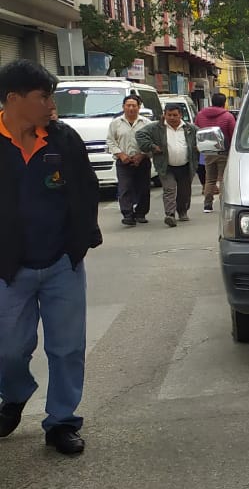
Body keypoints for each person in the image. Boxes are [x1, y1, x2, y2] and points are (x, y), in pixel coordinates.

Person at [0, 59, 102, 455]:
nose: (50, 105)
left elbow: (87, 188)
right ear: (13, 99)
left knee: (67, 348)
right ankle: (16, 393)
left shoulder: (62, 140)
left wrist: (79, 241)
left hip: (61, 263)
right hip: (9, 269)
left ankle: (61, 421)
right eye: (43, 97)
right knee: (8, 348)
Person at [137, 103, 198, 227]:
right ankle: (170, 215)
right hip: (166, 166)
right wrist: (152, 147)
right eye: (169, 115)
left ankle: (182, 211)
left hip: (186, 165)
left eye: (175, 115)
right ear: (164, 115)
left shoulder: (190, 129)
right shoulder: (156, 128)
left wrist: (199, 147)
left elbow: (201, 138)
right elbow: (140, 135)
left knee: (184, 191)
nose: (171, 118)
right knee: (169, 189)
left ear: (180, 115)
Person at [106, 95, 152, 226]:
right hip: (124, 161)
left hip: (142, 160)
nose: (131, 108)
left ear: (139, 107)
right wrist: (120, 154)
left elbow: (152, 141)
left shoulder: (146, 123)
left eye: (134, 106)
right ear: (123, 107)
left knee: (144, 188)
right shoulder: (116, 123)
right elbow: (110, 140)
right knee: (124, 188)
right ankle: (127, 214)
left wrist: (142, 154)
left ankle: (141, 213)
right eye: (128, 105)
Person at [195, 92, 235, 213]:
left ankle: (207, 205)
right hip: (223, 151)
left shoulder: (200, 115)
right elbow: (232, 133)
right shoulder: (228, 116)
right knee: (223, 179)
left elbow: (196, 129)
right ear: (224, 102)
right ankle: (223, 204)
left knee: (210, 179)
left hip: (208, 151)